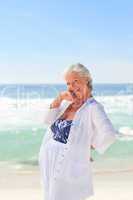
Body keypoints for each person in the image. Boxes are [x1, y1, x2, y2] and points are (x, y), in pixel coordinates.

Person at [38, 63, 118, 200]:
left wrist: (85, 148)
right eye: (68, 83)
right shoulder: (66, 103)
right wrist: (59, 98)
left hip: (66, 167)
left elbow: (109, 134)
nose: (71, 87)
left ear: (86, 80)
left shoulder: (93, 107)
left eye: (75, 81)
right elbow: (47, 120)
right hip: (48, 162)